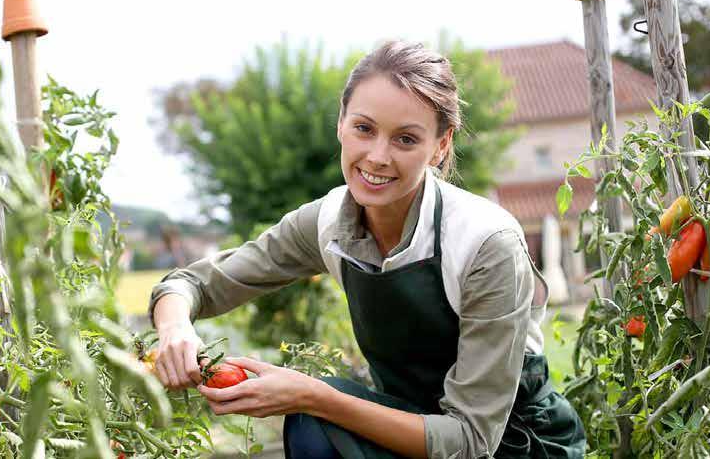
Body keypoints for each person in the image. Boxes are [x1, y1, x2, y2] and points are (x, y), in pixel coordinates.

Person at [148, 40, 586, 458]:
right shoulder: (327, 223)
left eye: (406, 139)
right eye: (363, 128)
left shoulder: (484, 244)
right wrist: (175, 330)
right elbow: (191, 284)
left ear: (441, 145)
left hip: (512, 446)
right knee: (315, 419)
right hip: (405, 429)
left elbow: (470, 439)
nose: (377, 156)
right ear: (341, 123)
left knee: (316, 414)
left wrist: (314, 396)